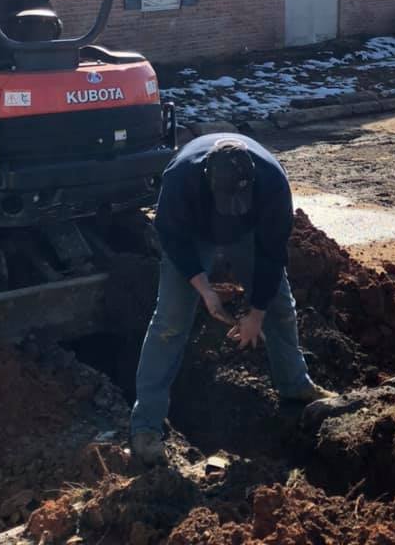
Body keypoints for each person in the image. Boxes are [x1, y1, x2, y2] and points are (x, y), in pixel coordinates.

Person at [130, 133, 337, 466]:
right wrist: (205, 290)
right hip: (194, 234)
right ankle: (146, 428)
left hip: (248, 233)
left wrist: (255, 314)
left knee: (280, 308)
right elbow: (172, 238)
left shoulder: (272, 183)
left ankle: (296, 385)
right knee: (169, 322)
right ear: (208, 180)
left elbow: (272, 255)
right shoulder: (180, 179)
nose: (232, 207)